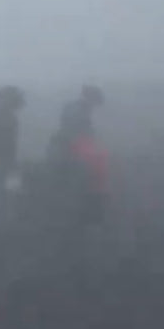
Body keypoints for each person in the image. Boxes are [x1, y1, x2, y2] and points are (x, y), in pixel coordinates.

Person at [46, 85, 110, 228]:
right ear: (91, 98)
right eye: (95, 101)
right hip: (69, 148)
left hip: (65, 146)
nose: (95, 106)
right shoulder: (80, 110)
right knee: (88, 175)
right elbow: (77, 132)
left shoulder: (75, 107)